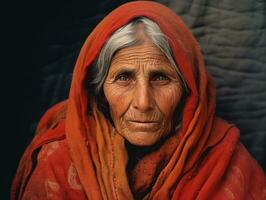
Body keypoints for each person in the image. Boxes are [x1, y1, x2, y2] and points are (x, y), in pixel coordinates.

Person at [11, 1, 265, 199]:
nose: (143, 102)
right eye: (123, 78)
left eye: (161, 78)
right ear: (98, 90)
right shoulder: (58, 159)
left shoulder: (227, 163)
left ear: (190, 91)